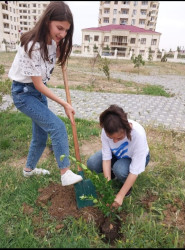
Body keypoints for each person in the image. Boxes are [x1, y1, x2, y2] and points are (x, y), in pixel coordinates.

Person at [8, 1, 83, 186]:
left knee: (41, 135)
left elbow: (45, 74)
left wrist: (58, 51)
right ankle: (65, 172)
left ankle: (29, 170)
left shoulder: (52, 42)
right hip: (24, 94)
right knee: (57, 127)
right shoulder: (32, 45)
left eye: (66, 30)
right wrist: (64, 104)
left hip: (36, 93)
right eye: (59, 28)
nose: (63, 34)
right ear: (48, 20)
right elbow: (39, 84)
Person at [87, 104, 150, 208]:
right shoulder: (106, 129)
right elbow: (106, 158)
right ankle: (113, 176)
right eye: (111, 138)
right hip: (117, 154)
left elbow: (135, 170)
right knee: (92, 163)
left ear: (127, 128)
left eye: (119, 138)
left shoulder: (138, 135)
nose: (115, 141)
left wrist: (120, 195)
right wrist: (108, 187)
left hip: (134, 158)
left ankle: (126, 186)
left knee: (119, 169)